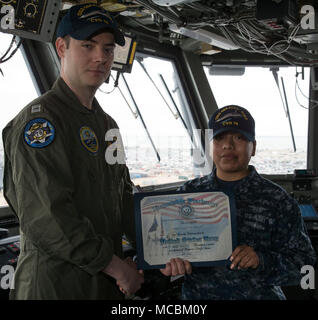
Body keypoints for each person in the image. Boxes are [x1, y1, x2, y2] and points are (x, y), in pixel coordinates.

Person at [2, 3, 190, 300]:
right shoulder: (41, 122)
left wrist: (161, 252)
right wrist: (117, 268)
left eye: (107, 48)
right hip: (55, 286)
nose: (100, 57)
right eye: (87, 46)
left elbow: (124, 200)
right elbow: (49, 218)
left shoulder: (106, 125)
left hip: (102, 285)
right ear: (61, 47)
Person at [178, 104, 316, 300]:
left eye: (239, 137)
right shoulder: (187, 195)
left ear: (254, 147)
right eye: (219, 138)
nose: (228, 145)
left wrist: (261, 260)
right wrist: (166, 265)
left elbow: (306, 267)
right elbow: (160, 251)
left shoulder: (277, 200)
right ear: (210, 146)